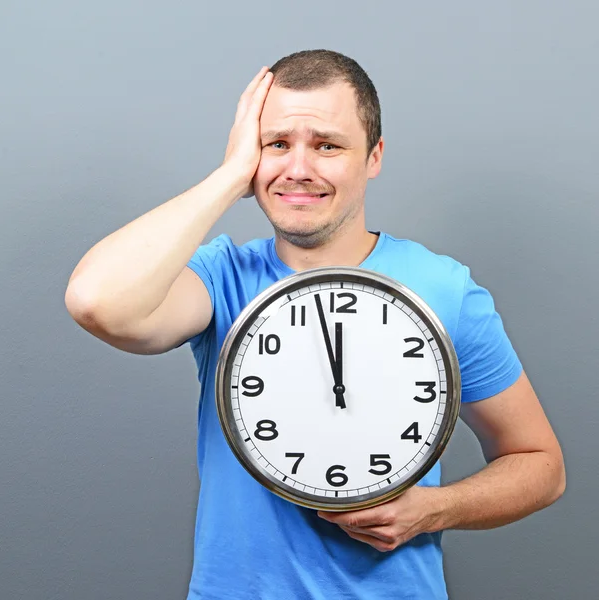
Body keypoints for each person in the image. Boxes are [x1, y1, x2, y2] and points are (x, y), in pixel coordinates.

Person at [65, 49, 566, 600]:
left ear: (373, 157)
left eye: (327, 145)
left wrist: (431, 509)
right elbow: (96, 301)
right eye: (277, 144)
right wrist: (230, 176)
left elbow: (541, 465)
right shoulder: (221, 278)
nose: (298, 169)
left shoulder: (442, 287)